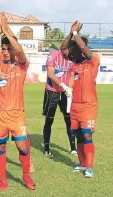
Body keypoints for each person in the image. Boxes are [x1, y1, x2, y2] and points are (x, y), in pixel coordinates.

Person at [0, 13, 35, 190]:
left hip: (16, 113)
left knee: (22, 146)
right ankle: (3, 180)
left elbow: (19, 51)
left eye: (8, 49)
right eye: (2, 49)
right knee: (0, 148)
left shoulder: (22, 65)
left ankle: (26, 175)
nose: (5, 52)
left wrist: (7, 30)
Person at [67, 21, 100, 178]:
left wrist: (75, 33)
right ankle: (82, 164)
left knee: (87, 135)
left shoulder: (93, 61)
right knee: (78, 134)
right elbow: (62, 49)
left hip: (89, 105)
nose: (73, 51)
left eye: (77, 48)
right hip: (75, 106)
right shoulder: (74, 64)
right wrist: (70, 33)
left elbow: (84, 49)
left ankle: (90, 167)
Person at [42, 21, 78, 157]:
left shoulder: (72, 59)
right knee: (49, 120)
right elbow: (50, 74)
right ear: (65, 48)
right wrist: (62, 85)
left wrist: (69, 88)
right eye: (70, 51)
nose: (70, 54)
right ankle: (46, 148)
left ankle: (73, 147)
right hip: (51, 91)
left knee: (69, 120)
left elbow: (72, 75)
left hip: (65, 94)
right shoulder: (53, 54)